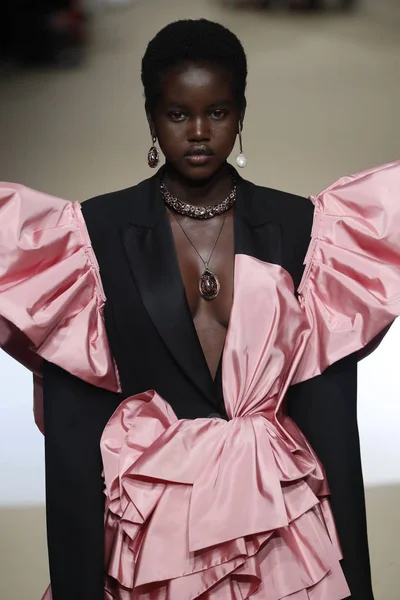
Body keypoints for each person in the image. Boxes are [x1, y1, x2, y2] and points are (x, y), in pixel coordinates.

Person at [0, 18, 398, 600]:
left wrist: (358, 585)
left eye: (218, 112)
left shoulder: (304, 229)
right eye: (178, 114)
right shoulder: (91, 239)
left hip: (280, 543)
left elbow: (331, 418)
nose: (199, 133)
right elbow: (73, 431)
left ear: (241, 113)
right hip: (159, 552)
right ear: (151, 117)